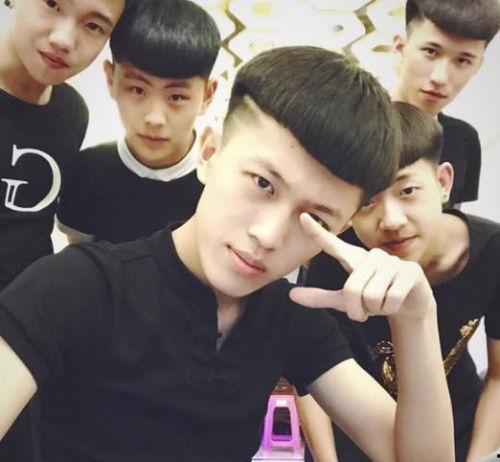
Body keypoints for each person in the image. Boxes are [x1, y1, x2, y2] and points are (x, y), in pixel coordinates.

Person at [0, 46, 454, 462]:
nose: (268, 235)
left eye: (315, 218)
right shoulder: (79, 287)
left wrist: (417, 319)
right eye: (263, 183)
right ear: (211, 152)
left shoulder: (290, 317)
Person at [299, 102, 500, 462]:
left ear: (443, 182)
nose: (391, 220)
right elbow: (312, 375)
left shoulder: (493, 251)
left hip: (455, 426)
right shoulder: (334, 257)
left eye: (407, 191)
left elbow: (499, 377)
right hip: (355, 428)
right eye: (367, 202)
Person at [0, 0, 133, 459]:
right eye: (52, 3)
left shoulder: (70, 113)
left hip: (25, 348)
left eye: (94, 26)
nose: (64, 38)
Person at [57, 0, 220, 244]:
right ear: (111, 79)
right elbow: (79, 257)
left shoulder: (221, 181)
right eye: (137, 90)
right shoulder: (87, 171)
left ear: (207, 95)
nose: (154, 118)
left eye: (176, 97)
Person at [392, 0, 500, 207]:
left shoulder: (464, 139)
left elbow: (451, 216)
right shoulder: (349, 126)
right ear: (401, 47)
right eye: (430, 51)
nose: (440, 77)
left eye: (463, 60)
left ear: (478, 66)